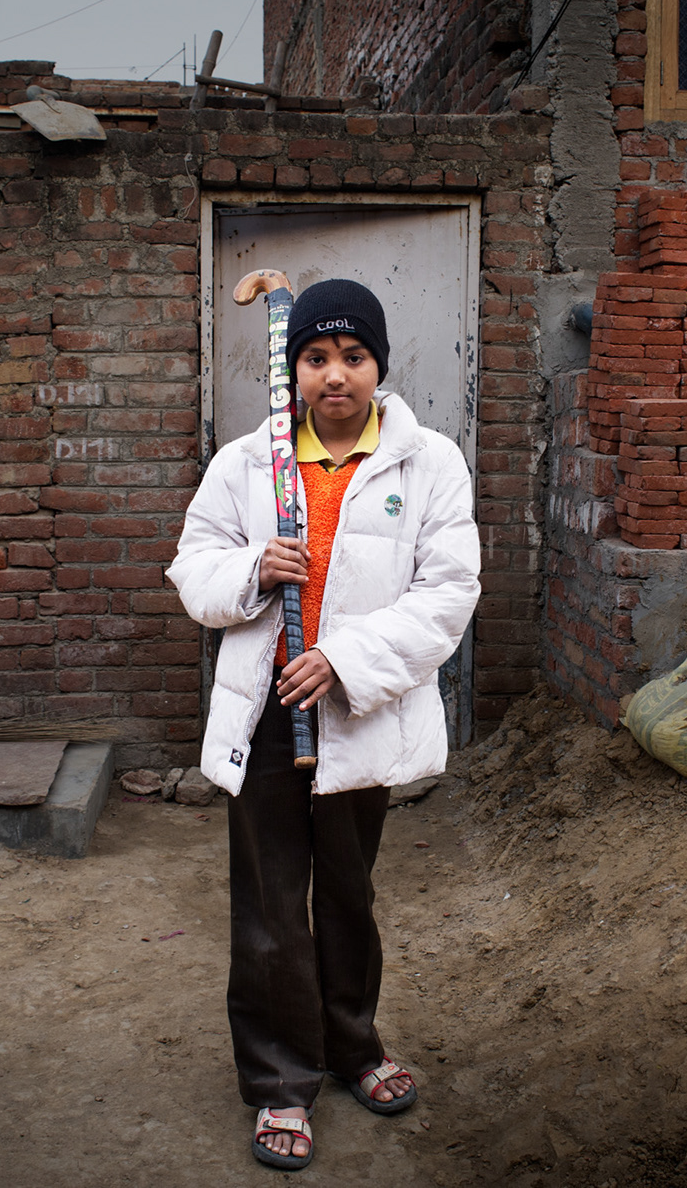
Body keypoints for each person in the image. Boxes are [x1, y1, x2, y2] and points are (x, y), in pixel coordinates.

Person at [167, 277, 481, 1171]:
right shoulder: (247, 462)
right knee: (271, 906)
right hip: (267, 715)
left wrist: (345, 661)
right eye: (315, 357)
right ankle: (279, 1084)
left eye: (352, 356)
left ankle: (354, 1048)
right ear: (294, 368)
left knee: (348, 892)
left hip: (357, 711)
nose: (334, 374)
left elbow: (448, 593)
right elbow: (192, 567)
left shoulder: (430, 465)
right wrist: (250, 569)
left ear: (380, 364)